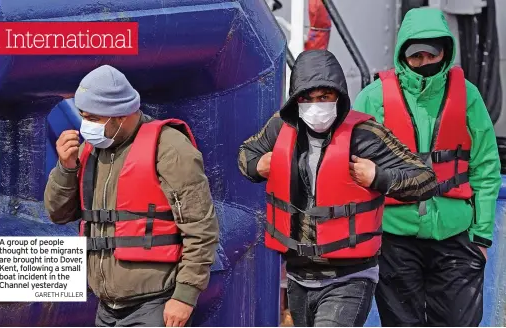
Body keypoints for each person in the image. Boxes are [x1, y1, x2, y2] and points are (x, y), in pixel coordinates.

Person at [237, 49, 439, 327]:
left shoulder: (365, 135)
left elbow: (425, 179)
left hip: (350, 278)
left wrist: (379, 177)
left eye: (324, 97)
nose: (315, 106)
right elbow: (245, 154)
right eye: (306, 99)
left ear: (339, 97)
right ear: (296, 100)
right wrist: (257, 165)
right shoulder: (280, 127)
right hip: (298, 275)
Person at [353, 7, 501, 327]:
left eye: (431, 54)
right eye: (415, 55)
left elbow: (487, 165)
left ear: (445, 52)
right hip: (394, 238)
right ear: (402, 54)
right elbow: (349, 170)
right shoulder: (372, 98)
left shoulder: (469, 97)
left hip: (456, 234)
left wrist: (482, 237)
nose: (423, 64)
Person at [44, 65, 219, 327]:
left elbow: (201, 228)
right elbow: (57, 213)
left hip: (155, 305)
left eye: (94, 117)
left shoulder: (169, 147)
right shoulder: (89, 150)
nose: (86, 125)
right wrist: (66, 167)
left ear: (122, 115)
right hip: (106, 307)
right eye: (83, 116)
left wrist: (184, 296)